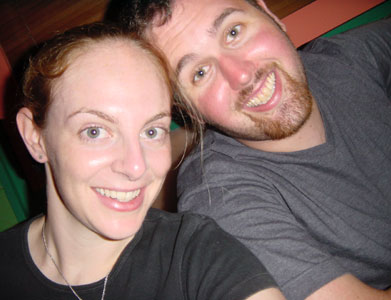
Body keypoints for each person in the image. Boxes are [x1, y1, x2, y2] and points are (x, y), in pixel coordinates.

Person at [116, 0, 391, 299]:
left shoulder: (343, 62)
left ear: (270, 15)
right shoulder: (221, 199)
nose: (241, 75)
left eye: (233, 32)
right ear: (189, 111)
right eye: (200, 73)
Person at [0, 22, 285, 300]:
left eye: (152, 131)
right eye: (95, 131)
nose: (136, 167)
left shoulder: (198, 256)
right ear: (35, 137)